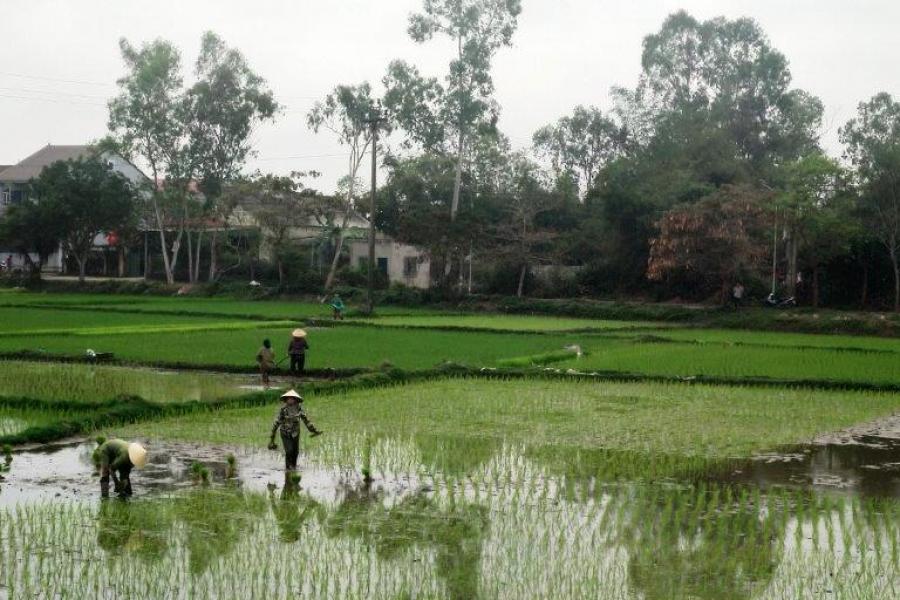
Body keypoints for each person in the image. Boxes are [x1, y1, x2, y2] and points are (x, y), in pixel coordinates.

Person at [268, 389, 321, 471]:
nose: (290, 400)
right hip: (285, 433)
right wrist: (272, 439)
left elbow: (306, 421)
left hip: (296, 433)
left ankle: (294, 467)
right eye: (288, 398)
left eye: (292, 398)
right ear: (286, 399)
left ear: (295, 399)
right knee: (289, 451)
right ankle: (288, 469)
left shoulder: (299, 409)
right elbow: (276, 423)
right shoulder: (283, 410)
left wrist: (314, 431)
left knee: (295, 452)